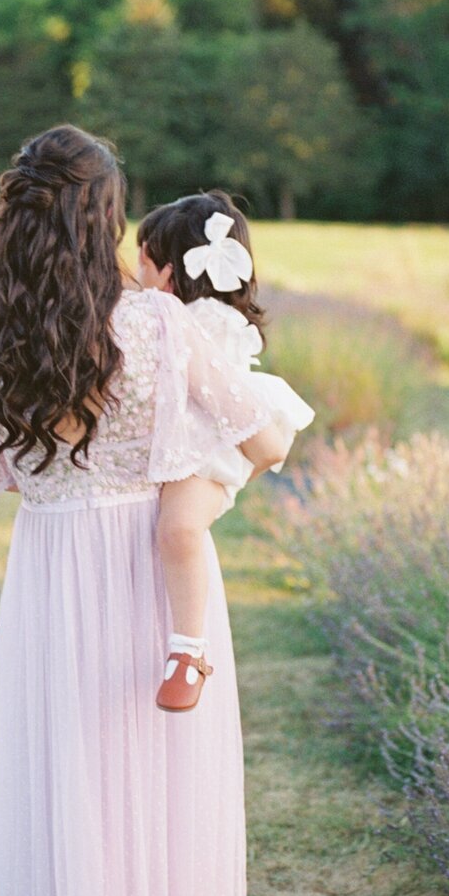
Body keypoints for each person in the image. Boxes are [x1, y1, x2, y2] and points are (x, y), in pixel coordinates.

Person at [0, 124, 289, 896]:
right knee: (157, 798)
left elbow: (5, 476)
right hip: (145, 572)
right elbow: (261, 435)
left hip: (50, 573)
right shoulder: (160, 328)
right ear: (107, 220)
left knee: (65, 797)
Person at [135, 191, 315, 712]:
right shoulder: (173, 314)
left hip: (207, 449)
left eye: (144, 262)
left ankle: (189, 651)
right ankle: (32, 605)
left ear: (170, 273)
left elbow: (215, 399)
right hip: (178, 440)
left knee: (179, 529)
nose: (136, 274)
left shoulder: (203, 320)